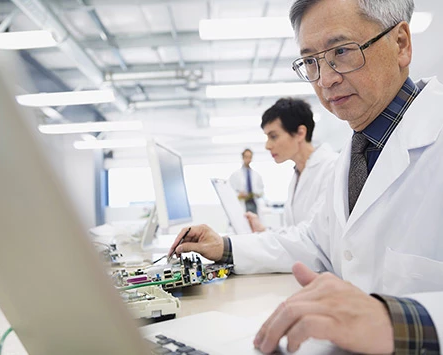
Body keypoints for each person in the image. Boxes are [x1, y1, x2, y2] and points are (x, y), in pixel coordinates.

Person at [169, 0, 443, 353]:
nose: (326, 79)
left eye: (342, 51)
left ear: (401, 43)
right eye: (311, 62)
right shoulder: (358, 151)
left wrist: (397, 321)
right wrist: (226, 247)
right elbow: (314, 242)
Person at [246, 98, 338, 232]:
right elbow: (295, 232)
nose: (267, 146)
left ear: (300, 133)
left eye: (273, 136)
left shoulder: (331, 168)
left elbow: (312, 235)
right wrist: (263, 231)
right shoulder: (297, 174)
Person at [228, 148, 264, 214]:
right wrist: (238, 195)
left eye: (250, 157)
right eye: (246, 157)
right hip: (242, 203)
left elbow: (261, 190)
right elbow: (230, 191)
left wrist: (256, 193)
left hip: (254, 203)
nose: (248, 159)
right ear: (243, 158)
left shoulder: (256, 175)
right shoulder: (235, 175)